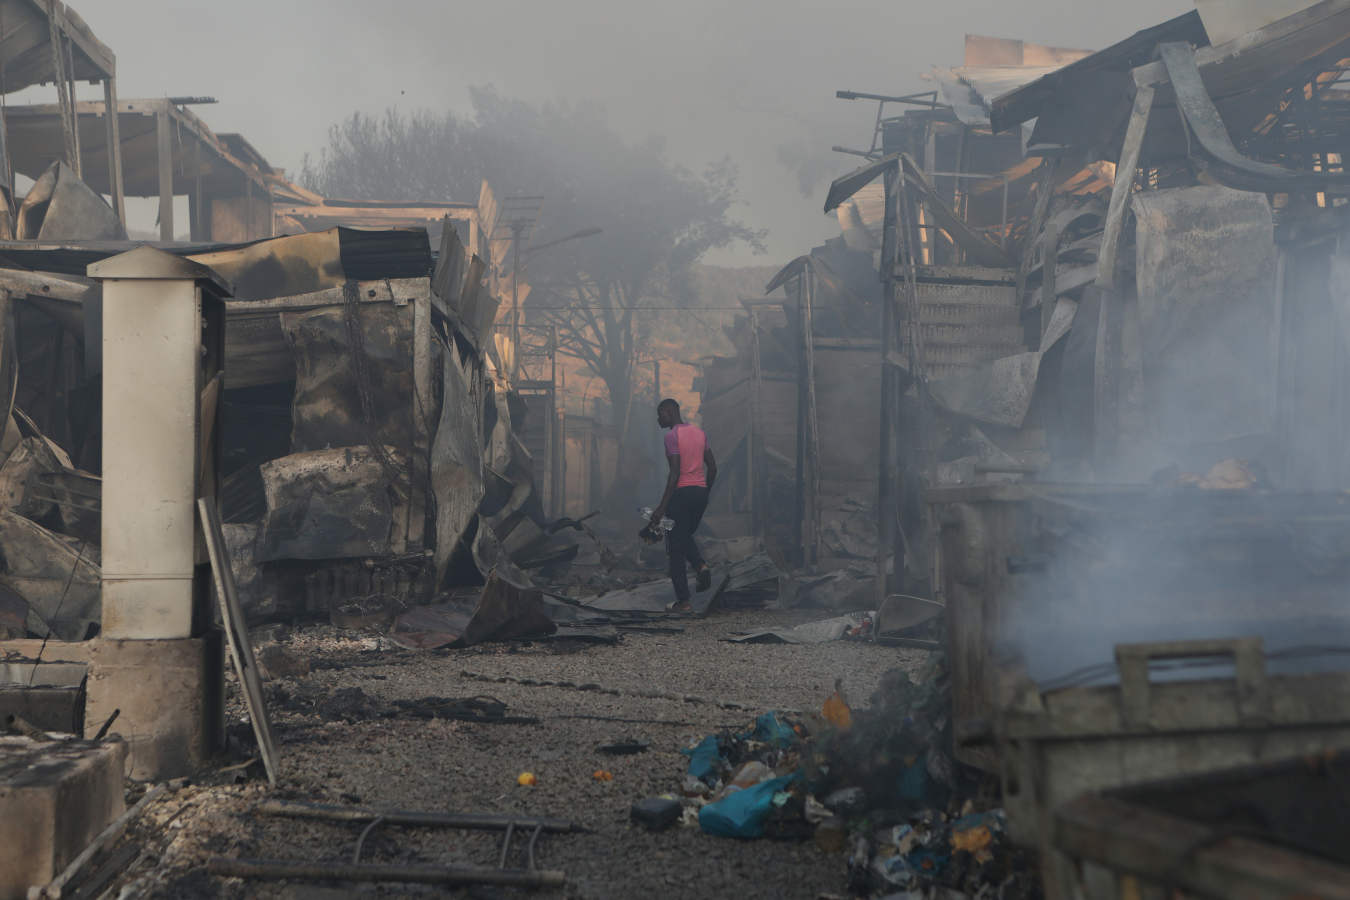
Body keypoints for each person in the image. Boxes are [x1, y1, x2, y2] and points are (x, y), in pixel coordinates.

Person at [649, 398, 717, 612]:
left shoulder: (671, 437)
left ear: (669, 412)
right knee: (683, 535)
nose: (658, 419)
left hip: (681, 495)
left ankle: (684, 602)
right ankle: (701, 566)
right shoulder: (700, 433)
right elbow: (713, 468)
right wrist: (705, 492)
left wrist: (661, 507)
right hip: (699, 494)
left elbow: (675, 473)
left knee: (675, 549)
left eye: (660, 414)